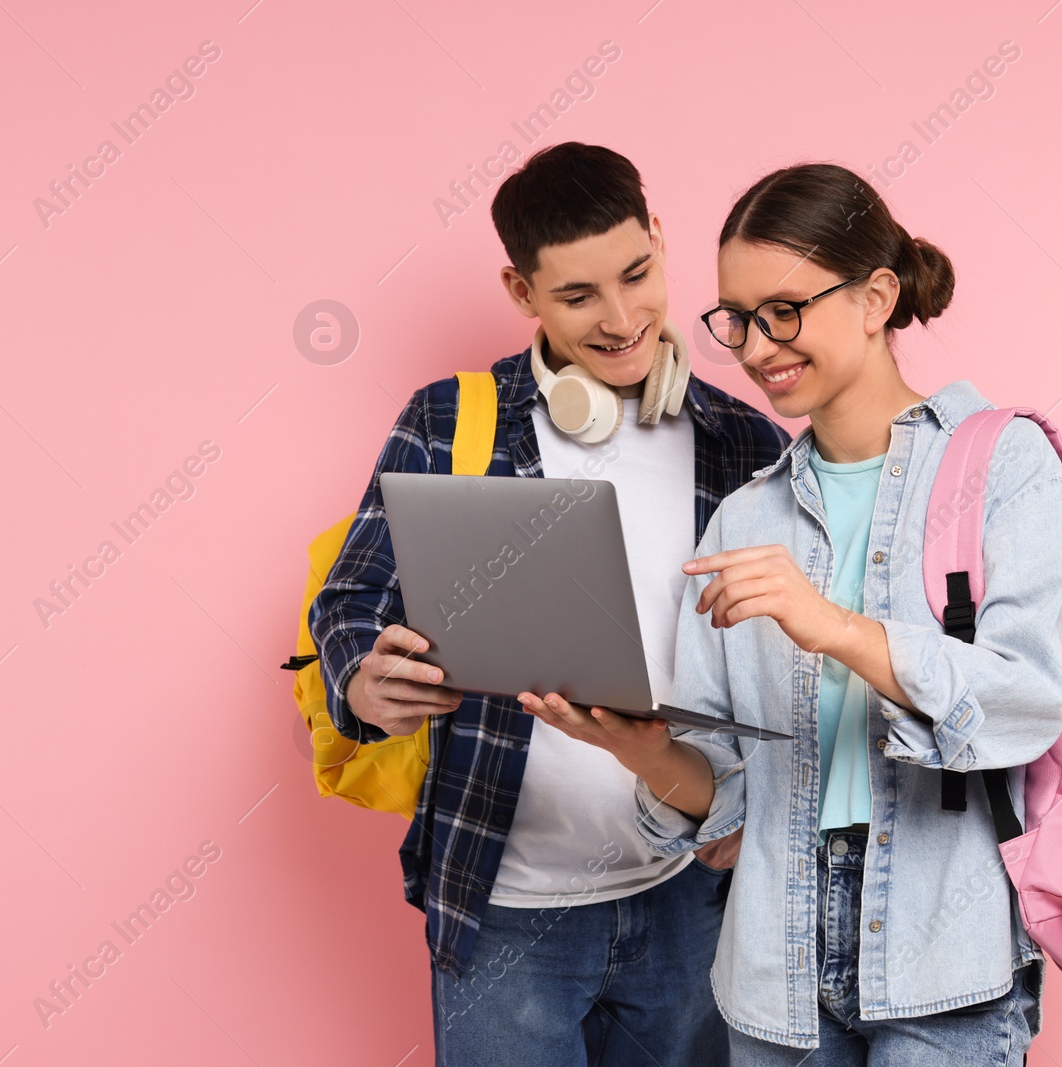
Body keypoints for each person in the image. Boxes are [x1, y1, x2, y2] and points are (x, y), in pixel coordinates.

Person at [521, 163, 1062, 1065]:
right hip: (773, 968)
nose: (753, 347)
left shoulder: (1003, 466)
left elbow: (1024, 700)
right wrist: (631, 745)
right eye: (735, 319)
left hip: (944, 955)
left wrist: (835, 626)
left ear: (875, 298)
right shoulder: (745, 517)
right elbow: (722, 792)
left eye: (782, 312)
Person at [308, 142, 791, 1066]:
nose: (621, 321)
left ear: (659, 238)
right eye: (576, 297)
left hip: (690, 903)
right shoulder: (450, 419)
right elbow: (352, 599)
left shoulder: (742, 442)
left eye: (638, 275)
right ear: (521, 291)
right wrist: (365, 682)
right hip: (504, 908)